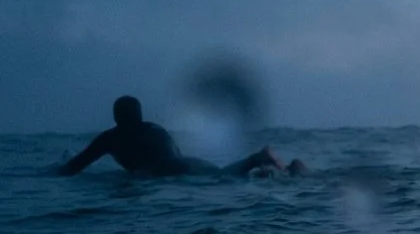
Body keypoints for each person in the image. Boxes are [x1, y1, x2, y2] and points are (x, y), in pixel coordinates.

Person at [55, 95, 303, 178]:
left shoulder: (112, 137)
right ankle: (266, 162)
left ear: (116, 117)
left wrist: (48, 171)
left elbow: (75, 167)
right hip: (192, 163)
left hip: (162, 171)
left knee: (220, 180)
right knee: (220, 177)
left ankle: (259, 161)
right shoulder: (155, 128)